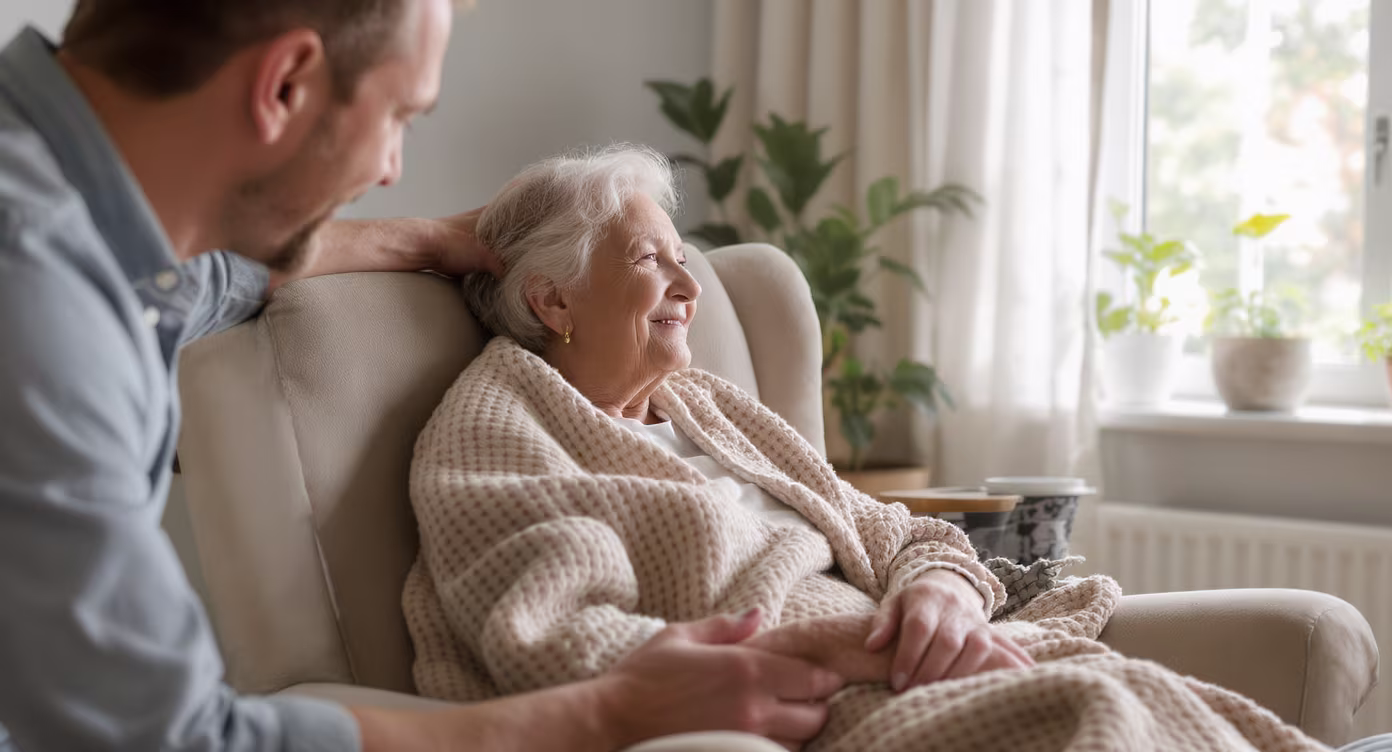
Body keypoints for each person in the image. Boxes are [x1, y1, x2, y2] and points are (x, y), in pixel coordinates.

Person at [0, 3, 845, 751]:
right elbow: (174, 739)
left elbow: (210, 279)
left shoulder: (82, 220)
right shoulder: (39, 310)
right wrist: (609, 715)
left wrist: (413, 241)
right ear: (285, 84)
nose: (391, 169)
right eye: (401, 116)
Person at [406, 145, 1337, 751]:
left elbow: (893, 532)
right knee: (1093, 714)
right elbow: (556, 645)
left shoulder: (708, 406)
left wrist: (937, 589)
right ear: (551, 300)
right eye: (652, 259)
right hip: (810, 703)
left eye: (683, 255)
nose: (690, 283)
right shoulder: (501, 425)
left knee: (1129, 691)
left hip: (906, 659)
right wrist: (851, 651)